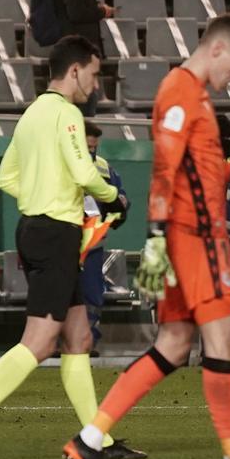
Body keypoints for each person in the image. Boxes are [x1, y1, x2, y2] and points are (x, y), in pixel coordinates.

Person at [62, 15, 230, 459]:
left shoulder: (194, 94)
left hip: (191, 237)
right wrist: (155, 240)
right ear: (217, 49)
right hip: (195, 239)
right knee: (224, 343)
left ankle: (89, 442)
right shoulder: (180, 89)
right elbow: (166, 170)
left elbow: (205, 168)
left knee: (174, 346)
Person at [0, 37, 131, 459]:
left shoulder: (31, 114)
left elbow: (6, 177)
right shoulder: (67, 114)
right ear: (76, 70)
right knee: (41, 340)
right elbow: (85, 171)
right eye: (95, 73)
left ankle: (96, 438)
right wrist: (113, 199)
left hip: (38, 228)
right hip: (54, 233)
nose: (96, 84)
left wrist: (40, 195)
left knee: (79, 337)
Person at [79, 122, 128, 352]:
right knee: (65, 295)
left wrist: (120, 208)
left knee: (92, 295)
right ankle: (63, 343)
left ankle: (88, 341)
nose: (91, 151)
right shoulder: (63, 165)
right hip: (65, 242)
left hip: (93, 244)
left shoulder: (104, 168)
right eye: (88, 146)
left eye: (94, 147)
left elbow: (121, 200)